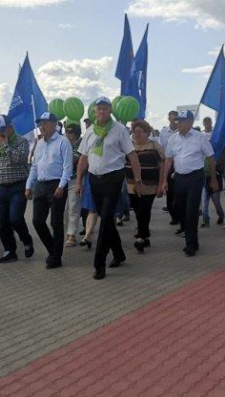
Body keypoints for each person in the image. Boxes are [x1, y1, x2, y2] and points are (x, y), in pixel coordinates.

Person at [76, 97, 145, 279]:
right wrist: (78, 182)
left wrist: (138, 180)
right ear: (94, 111)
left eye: (105, 109)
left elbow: (132, 156)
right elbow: (83, 158)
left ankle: (99, 263)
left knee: (106, 218)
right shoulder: (90, 131)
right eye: (98, 109)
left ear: (110, 111)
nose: (101, 112)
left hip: (113, 178)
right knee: (106, 220)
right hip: (94, 179)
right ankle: (119, 253)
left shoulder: (119, 130)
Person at [160, 110, 216, 257]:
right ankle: (191, 239)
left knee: (191, 210)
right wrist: (164, 180)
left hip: (195, 178)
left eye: (182, 121)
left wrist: (213, 178)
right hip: (179, 178)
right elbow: (168, 160)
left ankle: (191, 244)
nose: (178, 123)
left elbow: (210, 158)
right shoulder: (173, 139)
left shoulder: (200, 138)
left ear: (190, 123)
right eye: (178, 121)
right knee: (181, 210)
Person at [26, 113, 73, 269]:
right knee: (37, 221)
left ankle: (56, 257)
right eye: (40, 124)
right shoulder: (39, 144)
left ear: (54, 124)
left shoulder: (63, 142)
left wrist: (61, 185)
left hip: (56, 185)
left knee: (55, 222)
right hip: (40, 184)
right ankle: (52, 250)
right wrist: (28, 185)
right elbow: (34, 166)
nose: (42, 127)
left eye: (45, 123)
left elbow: (67, 167)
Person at [0, 115, 34, 263]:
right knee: (1, 221)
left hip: (18, 185)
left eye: (3, 130)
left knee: (15, 217)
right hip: (1, 186)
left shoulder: (21, 141)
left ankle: (26, 240)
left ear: (10, 128)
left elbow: (20, 158)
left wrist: (5, 145)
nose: (0, 133)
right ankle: (10, 250)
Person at [126, 120, 165, 252]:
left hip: (149, 186)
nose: (137, 134)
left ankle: (141, 238)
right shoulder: (129, 146)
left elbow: (162, 166)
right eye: (135, 131)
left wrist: (161, 184)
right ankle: (145, 234)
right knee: (137, 211)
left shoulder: (154, 147)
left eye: (140, 131)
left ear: (148, 133)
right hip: (131, 186)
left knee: (144, 209)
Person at [63, 123, 83, 247]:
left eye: (70, 132)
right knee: (65, 209)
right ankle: (67, 232)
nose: (67, 134)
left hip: (76, 179)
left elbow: (73, 159)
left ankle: (72, 235)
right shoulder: (64, 144)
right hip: (62, 180)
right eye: (66, 131)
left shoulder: (80, 145)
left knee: (73, 207)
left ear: (76, 133)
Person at [159, 110, 180, 224]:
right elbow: (161, 149)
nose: (174, 121)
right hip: (168, 164)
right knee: (170, 193)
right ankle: (173, 215)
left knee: (179, 192)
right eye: (172, 119)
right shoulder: (164, 132)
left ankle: (178, 216)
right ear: (169, 119)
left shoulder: (180, 131)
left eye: (176, 119)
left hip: (179, 164)